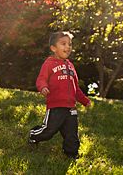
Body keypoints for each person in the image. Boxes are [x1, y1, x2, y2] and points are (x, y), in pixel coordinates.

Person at [28, 31, 91, 159]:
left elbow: (76, 88)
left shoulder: (71, 66)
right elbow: (41, 79)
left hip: (71, 108)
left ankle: (71, 154)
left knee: (71, 133)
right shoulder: (49, 64)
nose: (67, 47)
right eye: (63, 44)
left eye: (70, 44)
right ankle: (34, 135)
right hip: (56, 106)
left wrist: (84, 101)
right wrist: (43, 87)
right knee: (49, 131)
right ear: (53, 48)